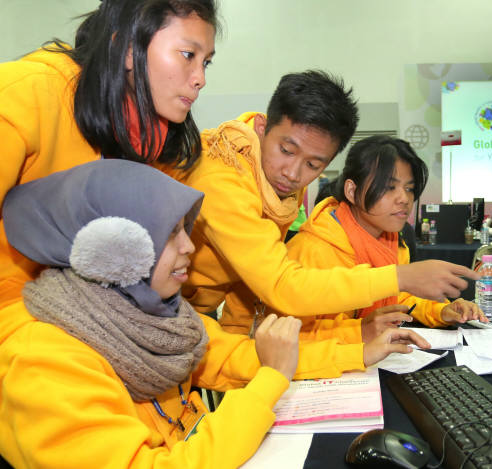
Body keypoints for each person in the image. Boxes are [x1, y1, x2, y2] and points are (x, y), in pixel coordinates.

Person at [0, 160, 430, 468]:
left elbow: (234, 357)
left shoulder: (163, 317)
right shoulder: (46, 361)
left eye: (184, 230)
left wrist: (357, 349)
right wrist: (269, 383)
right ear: (111, 253)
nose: (189, 247)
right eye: (169, 235)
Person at [168, 71, 476, 335]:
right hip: (170, 308)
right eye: (286, 150)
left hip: (199, 311)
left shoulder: (275, 183)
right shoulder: (224, 179)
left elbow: (250, 281)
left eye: (313, 165)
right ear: (262, 128)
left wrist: (435, 310)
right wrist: (400, 278)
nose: (293, 173)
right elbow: (283, 287)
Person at [0, 0, 219, 308]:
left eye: (205, 62)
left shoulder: (158, 141)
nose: (200, 79)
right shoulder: (19, 96)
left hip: (89, 310)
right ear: (128, 49)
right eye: (188, 55)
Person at [286, 135, 487, 340]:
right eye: (389, 187)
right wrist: (361, 332)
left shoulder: (393, 242)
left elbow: (396, 296)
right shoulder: (312, 250)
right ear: (352, 191)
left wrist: (441, 311)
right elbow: (291, 337)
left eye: (409, 188)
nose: (404, 199)